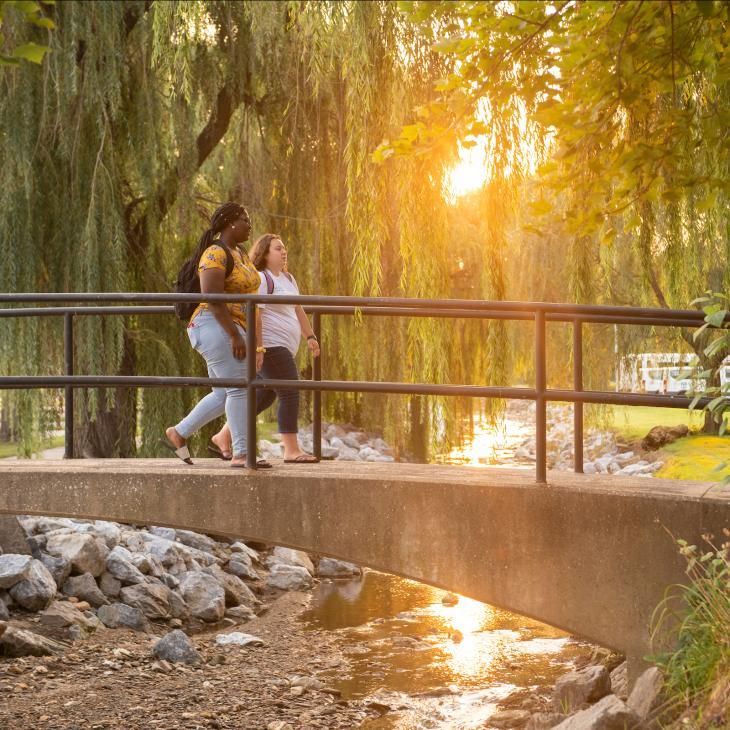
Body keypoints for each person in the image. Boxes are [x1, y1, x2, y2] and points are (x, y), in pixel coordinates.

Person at [162, 202, 270, 469]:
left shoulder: (241, 253)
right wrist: (234, 336)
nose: (249, 225)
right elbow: (211, 297)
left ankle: (178, 432)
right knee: (239, 388)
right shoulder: (214, 253)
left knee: (224, 393)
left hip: (232, 326)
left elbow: (253, 300)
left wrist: (258, 345)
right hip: (213, 325)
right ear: (230, 223)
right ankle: (242, 453)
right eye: (245, 220)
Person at [210, 233, 321, 463]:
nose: (283, 252)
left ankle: (224, 434)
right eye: (278, 248)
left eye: (284, 248)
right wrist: (259, 348)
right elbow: (255, 313)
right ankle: (291, 450)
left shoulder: (289, 279)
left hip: (284, 348)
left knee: (263, 397)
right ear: (265, 253)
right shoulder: (261, 279)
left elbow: (297, 309)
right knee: (290, 391)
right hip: (271, 346)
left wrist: (309, 335)